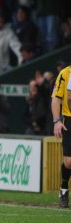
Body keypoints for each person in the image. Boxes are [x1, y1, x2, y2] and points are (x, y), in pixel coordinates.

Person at [53, 64, 71, 208]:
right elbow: (56, 98)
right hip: (68, 119)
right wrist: (57, 120)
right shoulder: (65, 73)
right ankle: (64, 188)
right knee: (69, 162)